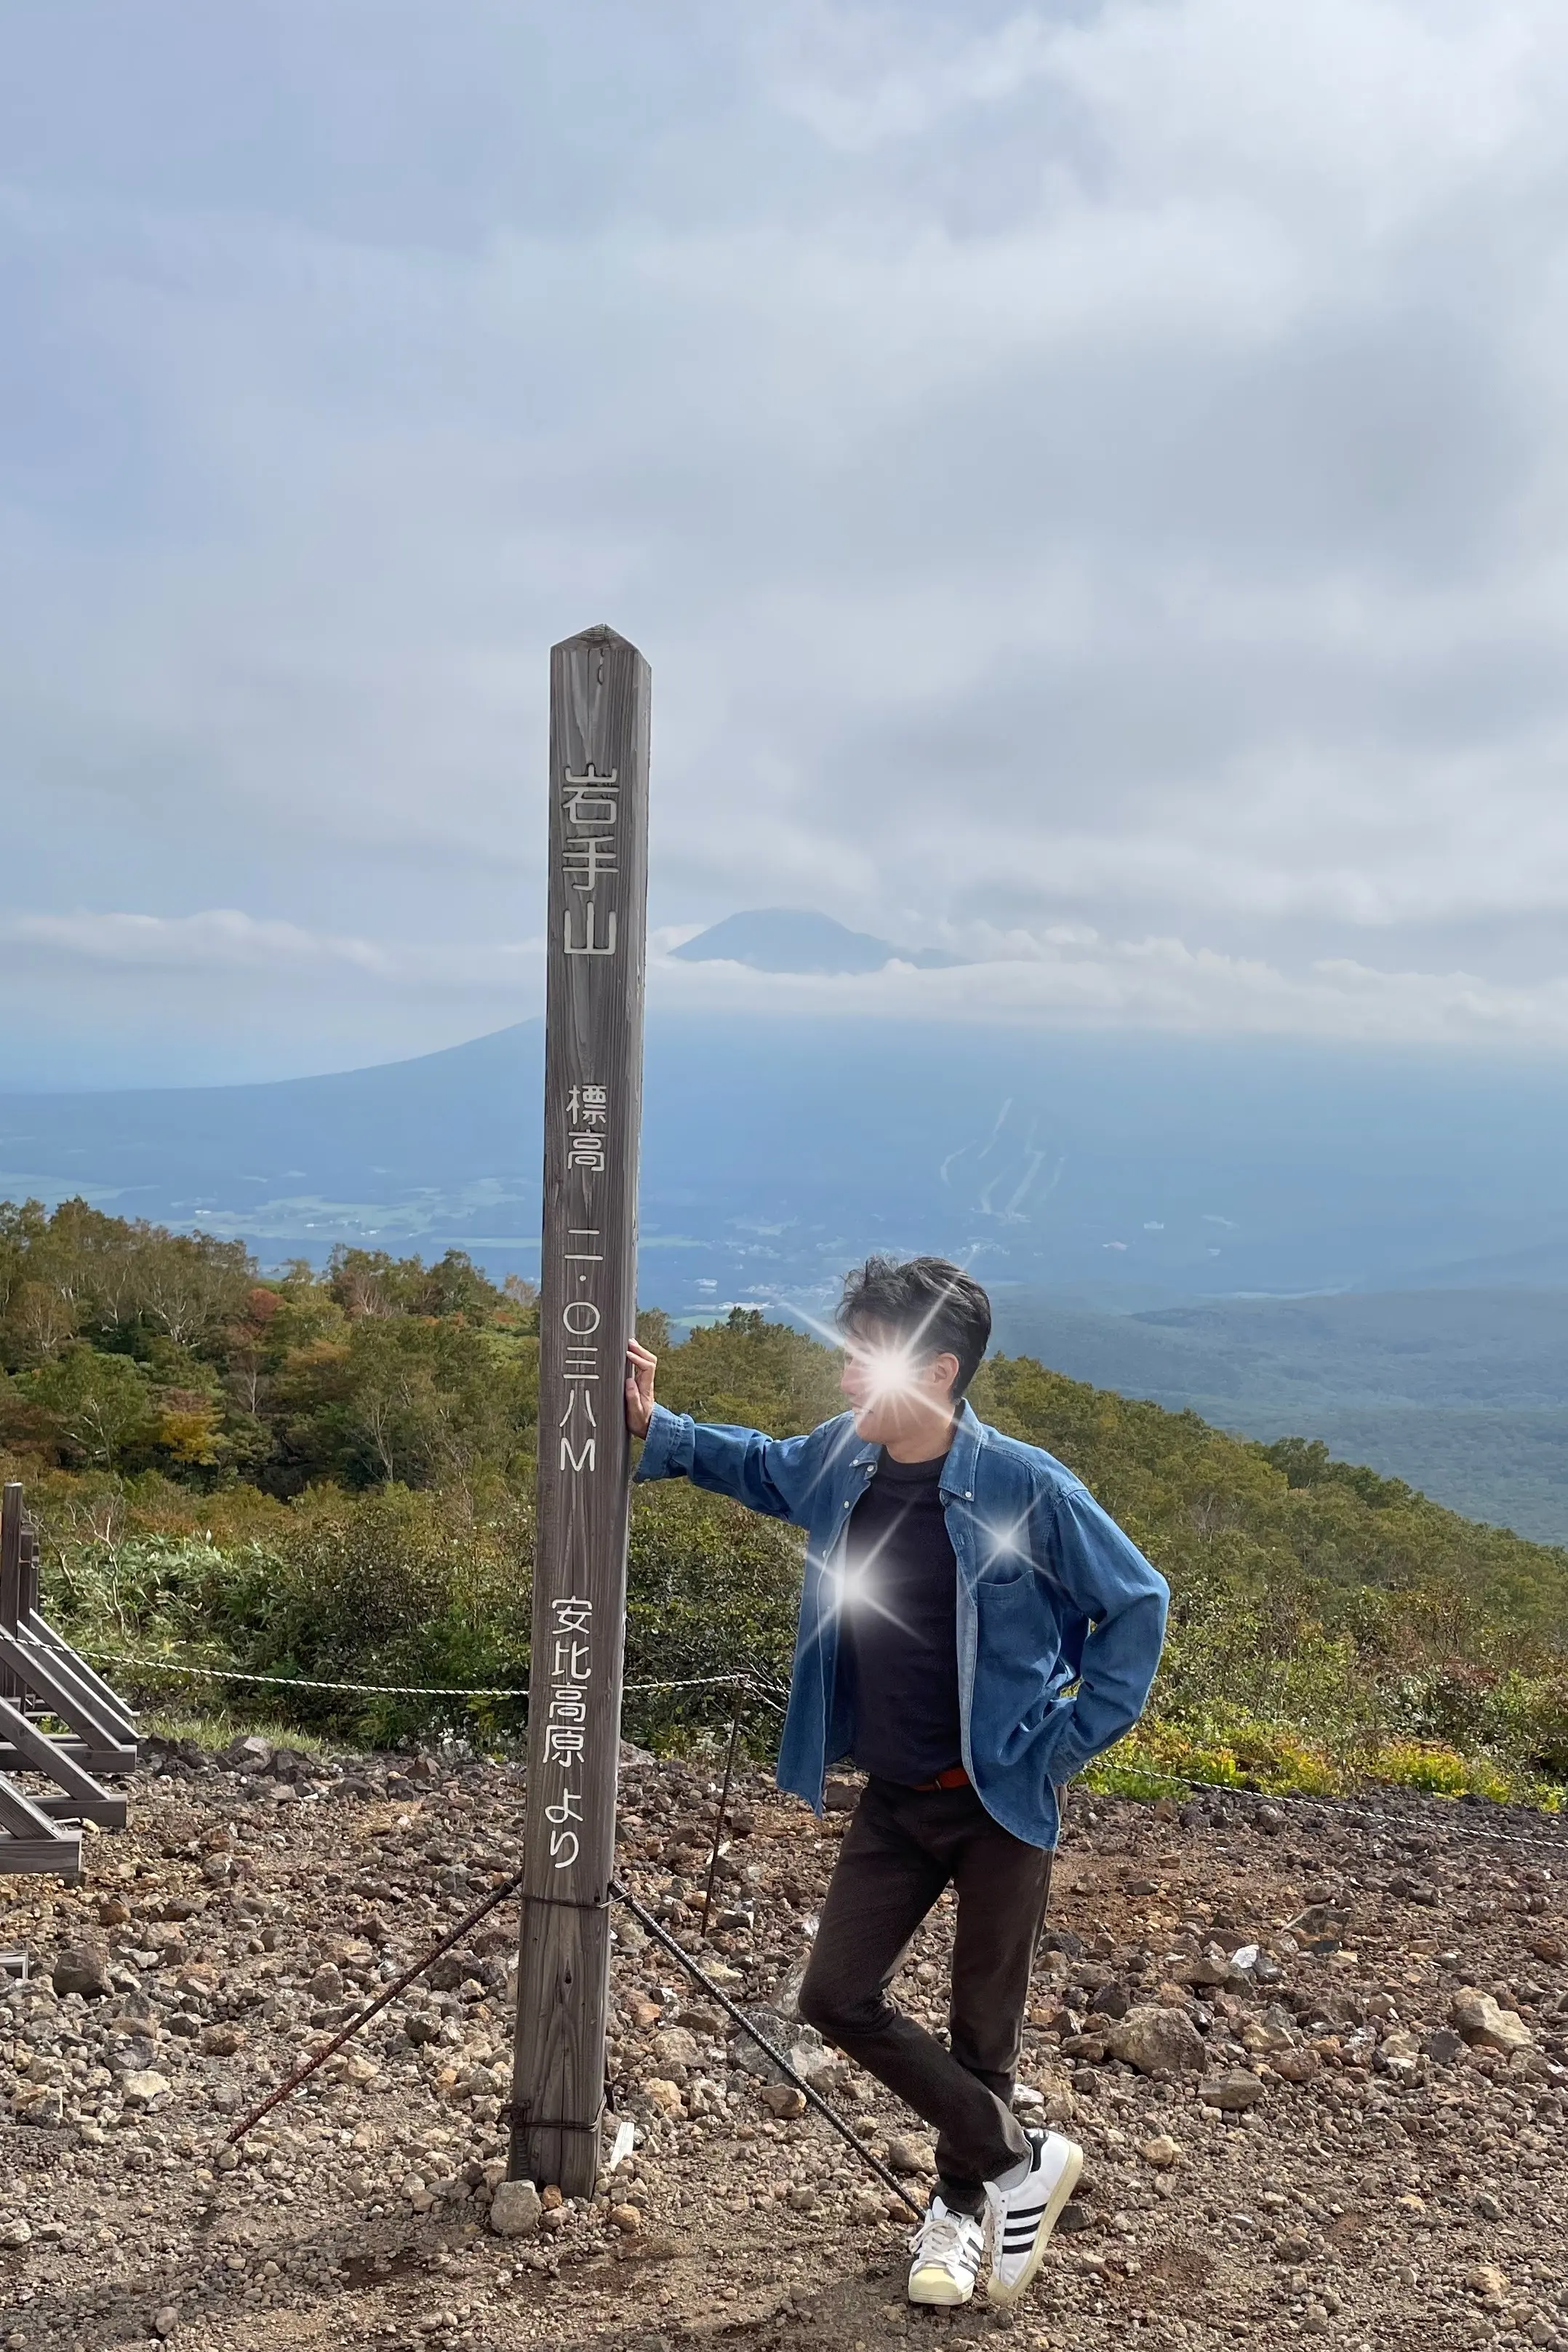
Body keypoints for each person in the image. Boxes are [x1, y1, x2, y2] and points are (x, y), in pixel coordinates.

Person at [625, 1256, 1169, 2312]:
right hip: (894, 1798)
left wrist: (1058, 1747)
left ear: (939, 1370)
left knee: (983, 2031)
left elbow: (1136, 1605)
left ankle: (963, 2218)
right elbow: (767, 1468)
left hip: (1000, 1801)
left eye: (864, 1361)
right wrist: (661, 1426)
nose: (843, 1384)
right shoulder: (844, 1458)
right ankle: (1019, 2162)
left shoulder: (1029, 1487)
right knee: (834, 1996)